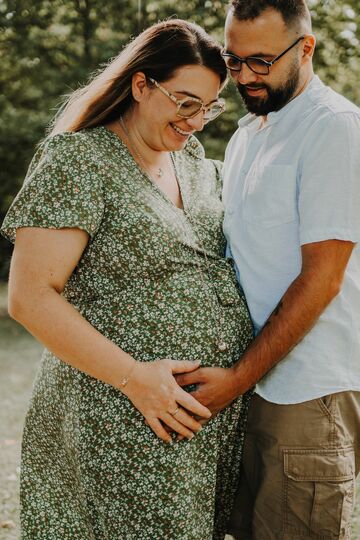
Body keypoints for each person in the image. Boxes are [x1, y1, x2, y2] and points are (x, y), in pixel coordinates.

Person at [0, 19, 254, 540]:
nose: (196, 121)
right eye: (184, 102)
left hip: (196, 423)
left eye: (208, 107)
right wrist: (135, 377)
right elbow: (29, 297)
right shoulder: (79, 160)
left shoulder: (191, 162)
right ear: (141, 85)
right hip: (119, 415)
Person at [175, 2, 360, 539]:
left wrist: (236, 379)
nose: (245, 77)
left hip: (306, 391)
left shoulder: (335, 130)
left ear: (306, 48)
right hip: (252, 386)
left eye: (260, 61)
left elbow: (321, 277)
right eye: (234, 61)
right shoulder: (246, 135)